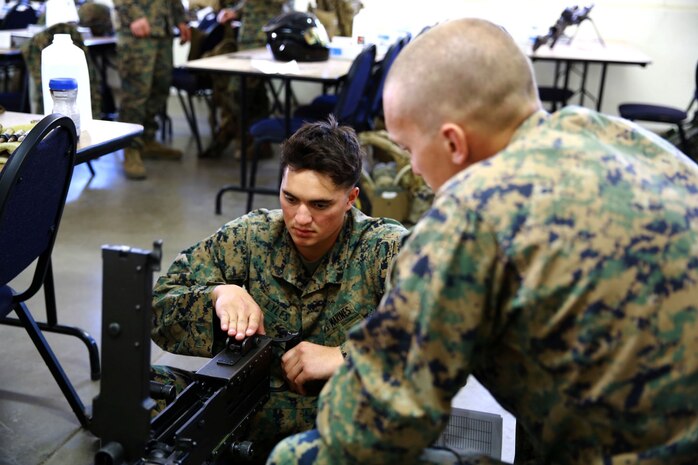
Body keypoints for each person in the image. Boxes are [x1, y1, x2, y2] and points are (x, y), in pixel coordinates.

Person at [267, 18, 698, 465]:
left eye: (411, 149)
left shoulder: (472, 215)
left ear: (453, 142)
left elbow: (374, 426)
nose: (413, 170)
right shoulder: (635, 144)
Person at [151, 116, 407, 462]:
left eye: (320, 205)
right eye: (290, 198)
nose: (300, 218)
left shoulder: (384, 248)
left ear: (351, 199)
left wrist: (346, 357)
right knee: (136, 395)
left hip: (338, 415)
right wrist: (220, 294)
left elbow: (445, 330)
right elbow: (159, 307)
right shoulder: (253, 236)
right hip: (249, 406)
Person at [200, 0, 287, 159]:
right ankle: (257, 143)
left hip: (264, 35)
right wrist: (236, 11)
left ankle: (243, 138)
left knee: (240, 91)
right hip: (249, 35)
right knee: (254, 93)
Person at [113, 0, 191, 179]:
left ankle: (147, 139)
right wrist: (134, 15)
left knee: (161, 87)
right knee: (136, 92)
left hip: (162, 29)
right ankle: (130, 147)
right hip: (136, 30)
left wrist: (180, 19)